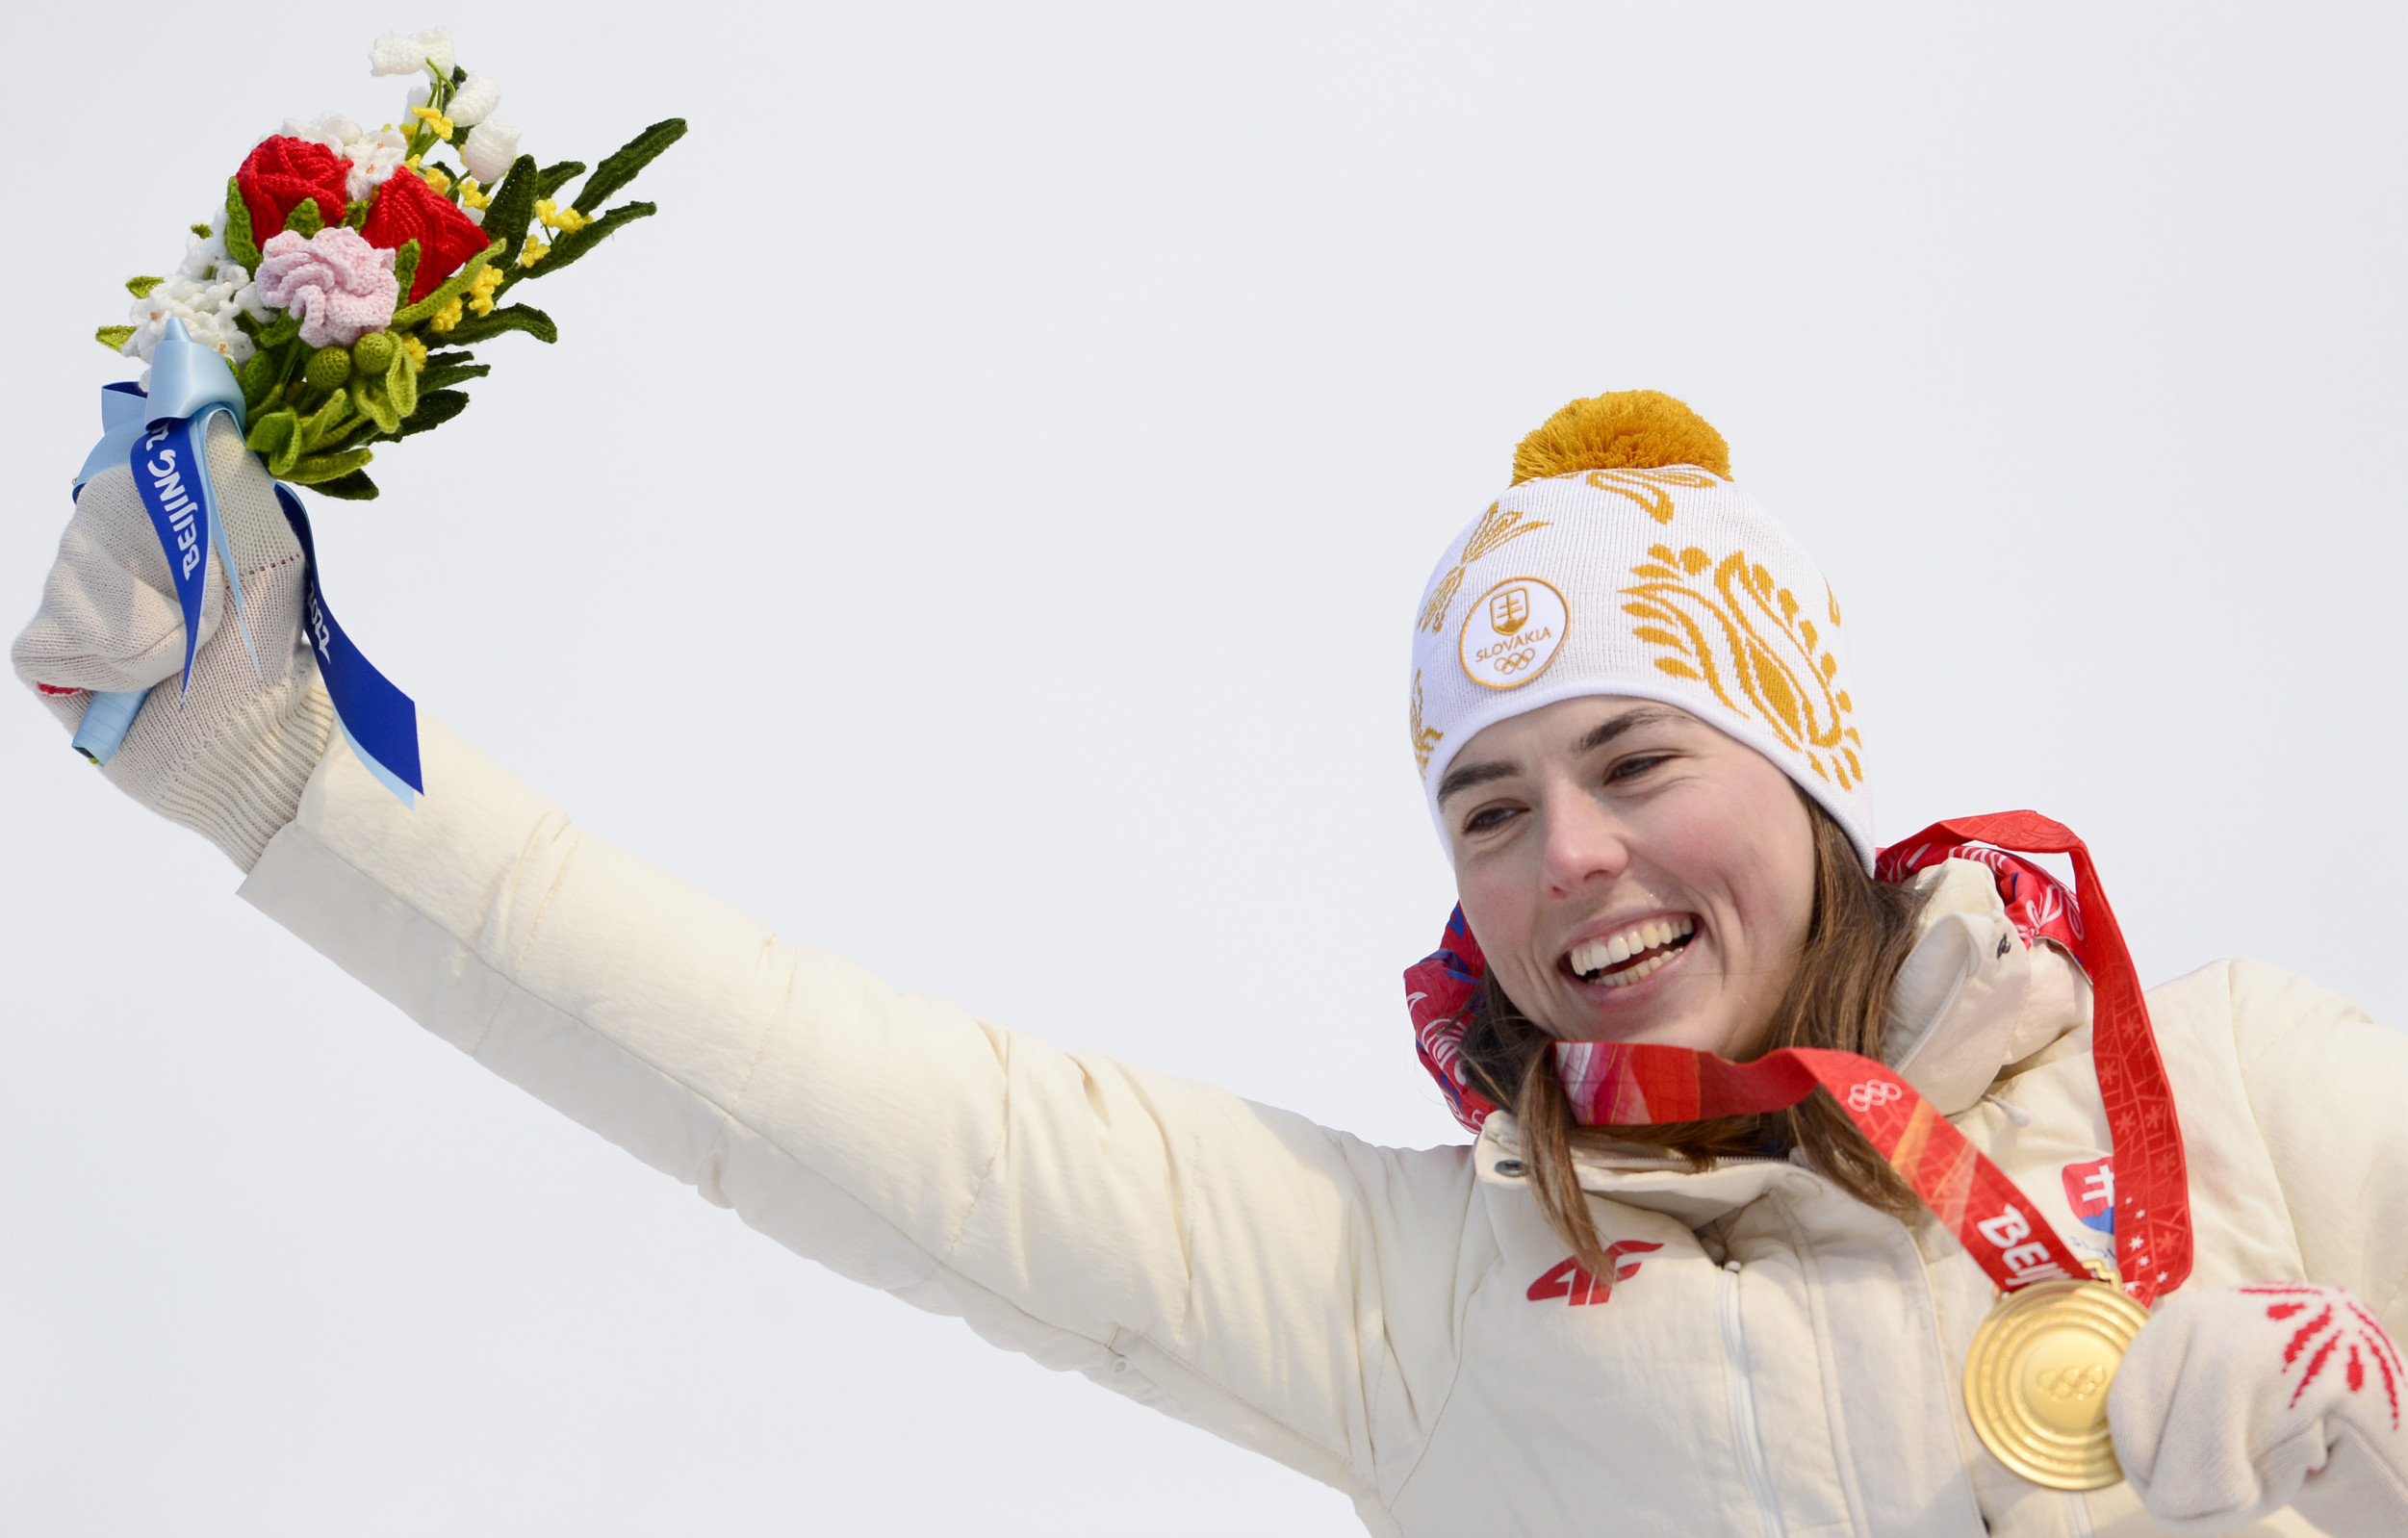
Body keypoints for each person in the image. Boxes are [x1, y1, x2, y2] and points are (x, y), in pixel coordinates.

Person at [16, 388, 2407, 1538]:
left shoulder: (2234, 1088)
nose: (1570, 862)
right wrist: (276, 768)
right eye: (1488, 807)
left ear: (1806, 768)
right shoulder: (1430, 1312)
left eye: (1633, 757)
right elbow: (829, 1095)